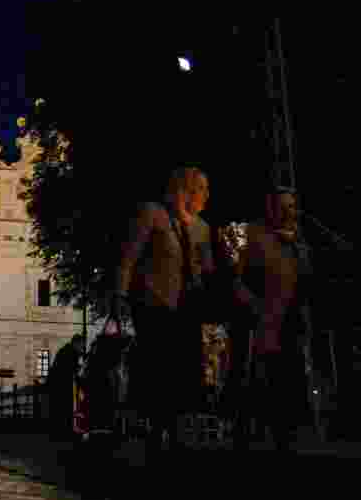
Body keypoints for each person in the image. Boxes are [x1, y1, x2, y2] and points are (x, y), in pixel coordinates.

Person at [112, 167, 227, 462]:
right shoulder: (153, 213)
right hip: (153, 302)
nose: (206, 195)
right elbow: (129, 257)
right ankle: (154, 428)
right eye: (202, 188)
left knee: (183, 369)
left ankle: (175, 431)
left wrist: (223, 260)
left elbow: (207, 271)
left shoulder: (202, 227)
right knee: (157, 366)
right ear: (185, 189)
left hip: (187, 308)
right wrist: (120, 295)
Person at [236, 186, 312, 453]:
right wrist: (252, 304)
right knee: (255, 378)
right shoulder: (250, 233)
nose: (288, 211)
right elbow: (236, 278)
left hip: (290, 317)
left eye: (291, 206)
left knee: (288, 377)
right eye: (283, 206)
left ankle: (285, 436)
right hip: (260, 317)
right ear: (269, 208)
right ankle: (245, 434)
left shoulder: (297, 239)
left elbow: (306, 278)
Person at [49, 335, 84, 439]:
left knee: (62, 410)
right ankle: (65, 432)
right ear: (76, 343)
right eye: (81, 345)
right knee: (65, 409)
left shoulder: (66, 350)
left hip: (59, 385)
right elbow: (71, 370)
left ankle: (61, 432)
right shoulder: (70, 352)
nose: (82, 347)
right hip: (63, 386)